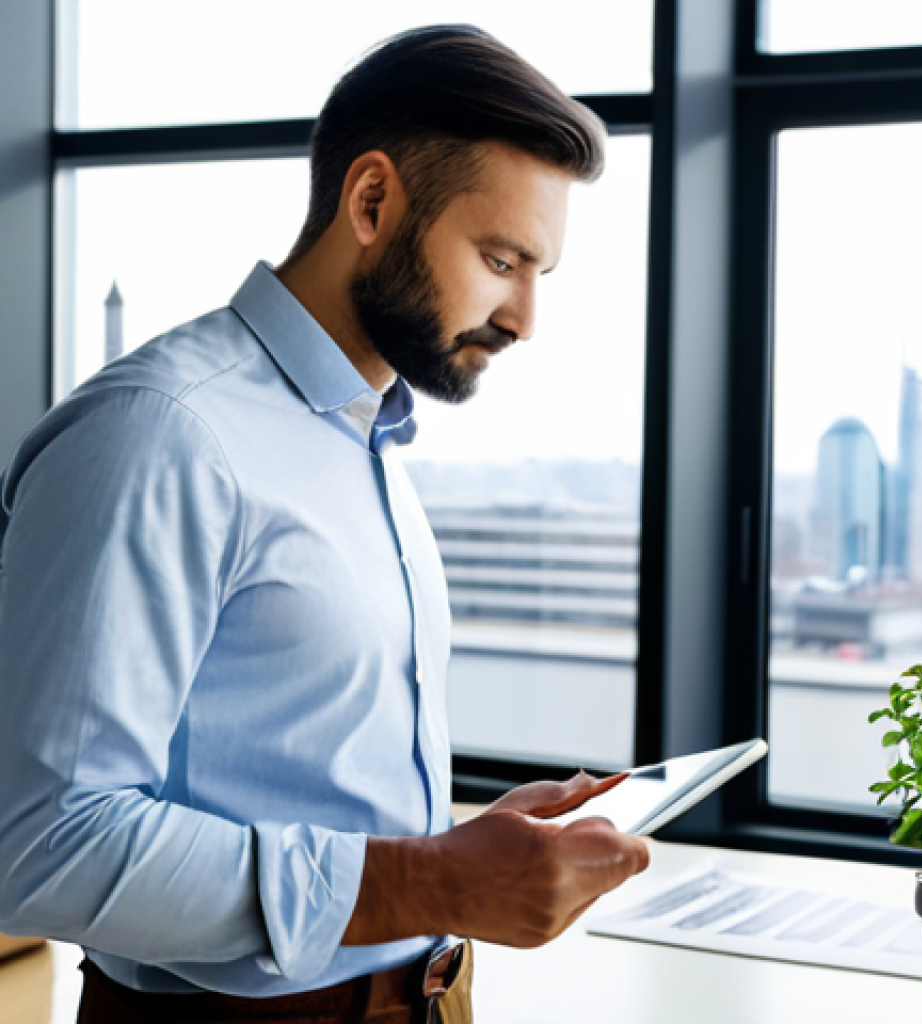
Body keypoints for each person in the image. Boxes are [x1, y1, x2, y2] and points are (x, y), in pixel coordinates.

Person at [0, 25, 649, 1024]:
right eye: (498, 259)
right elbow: (39, 846)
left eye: (536, 274)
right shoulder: (163, 436)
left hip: (428, 998)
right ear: (373, 201)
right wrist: (430, 879)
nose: (523, 317)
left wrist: (451, 844)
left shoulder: (368, 439)